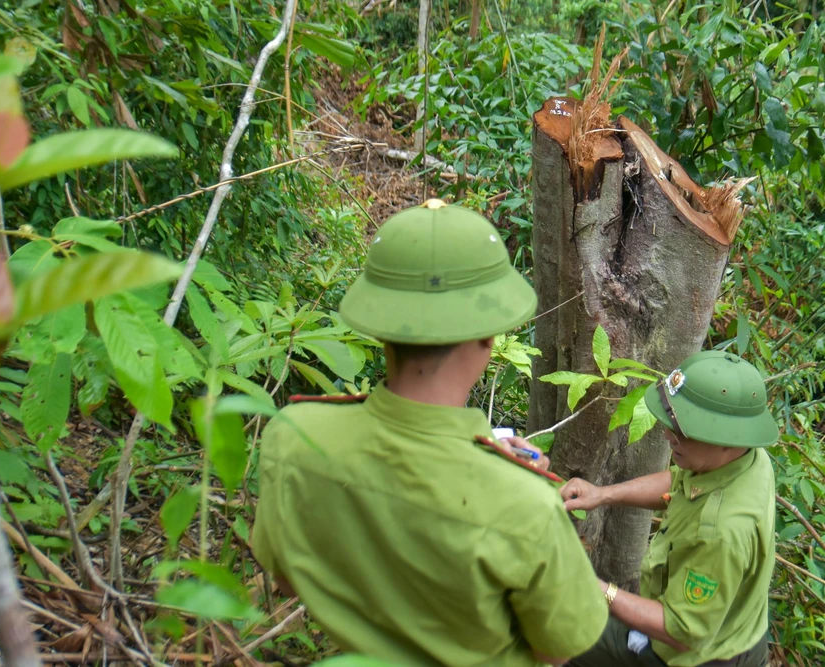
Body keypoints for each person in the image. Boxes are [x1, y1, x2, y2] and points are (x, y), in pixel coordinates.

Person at [252, 199, 608, 666]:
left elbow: (285, 577)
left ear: (380, 324)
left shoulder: (294, 435)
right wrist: (505, 477)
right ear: (489, 335)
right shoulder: (527, 507)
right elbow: (555, 651)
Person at [562, 350, 778, 667]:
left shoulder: (720, 533)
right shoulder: (746, 459)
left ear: (727, 439)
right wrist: (602, 495)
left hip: (692, 654)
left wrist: (598, 590)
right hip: (738, 632)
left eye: (681, 429)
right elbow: (678, 482)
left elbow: (681, 630)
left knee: (558, 632)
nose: (666, 434)